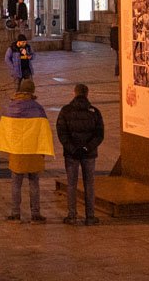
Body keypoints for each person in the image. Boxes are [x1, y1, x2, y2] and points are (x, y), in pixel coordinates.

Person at [0, 78, 53, 223]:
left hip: (16, 151)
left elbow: (4, 130)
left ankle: (15, 214)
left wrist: (8, 147)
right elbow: (44, 131)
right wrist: (44, 150)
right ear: (32, 91)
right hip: (33, 151)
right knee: (34, 183)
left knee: (16, 183)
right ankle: (35, 214)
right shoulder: (38, 108)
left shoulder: (10, 108)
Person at [56, 83, 104, 226]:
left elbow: (61, 132)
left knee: (71, 184)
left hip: (71, 154)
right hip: (89, 154)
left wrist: (72, 148)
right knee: (89, 184)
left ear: (74, 93)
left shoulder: (65, 111)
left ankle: (72, 216)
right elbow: (99, 134)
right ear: (87, 94)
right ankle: (90, 216)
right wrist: (87, 148)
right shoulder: (94, 112)